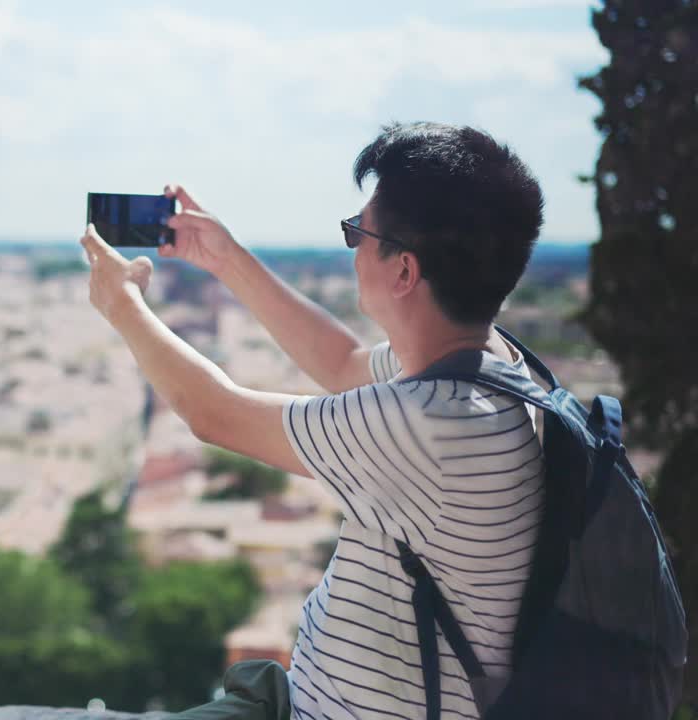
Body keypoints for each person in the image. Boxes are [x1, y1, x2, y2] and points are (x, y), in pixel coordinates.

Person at [81, 121, 546, 720]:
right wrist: (224, 257)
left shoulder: (429, 423)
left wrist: (122, 305)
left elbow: (215, 414)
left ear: (403, 272)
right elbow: (342, 362)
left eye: (359, 230)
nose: (351, 246)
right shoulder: (493, 368)